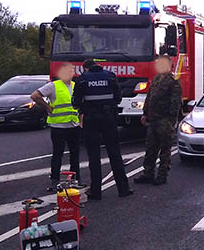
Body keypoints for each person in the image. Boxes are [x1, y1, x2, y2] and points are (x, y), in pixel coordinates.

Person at [72, 59, 132, 200]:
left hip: (91, 120)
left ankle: (96, 191)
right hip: (109, 119)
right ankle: (124, 189)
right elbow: (118, 98)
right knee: (115, 153)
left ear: (86, 68)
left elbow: (75, 102)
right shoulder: (110, 76)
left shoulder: (82, 79)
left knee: (94, 156)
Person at [31, 62, 81, 191]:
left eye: (72, 71)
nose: (70, 73)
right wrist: (47, 106)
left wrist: (81, 121)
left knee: (75, 154)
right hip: (58, 126)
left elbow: (79, 106)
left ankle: (75, 178)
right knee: (58, 154)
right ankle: (55, 180)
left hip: (73, 125)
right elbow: (35, 96)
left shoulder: (76, 86)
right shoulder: (53, 86)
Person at [135, 56, 183, 185]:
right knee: (150, 148)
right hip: (153, 119)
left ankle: (162, 175)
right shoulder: (156, 78)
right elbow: (149, 96)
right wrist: (145, 113)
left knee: (165, 149)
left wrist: (171, 121)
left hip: (164, 120)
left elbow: (175, 103)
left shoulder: (173, 81)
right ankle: (148, 173)